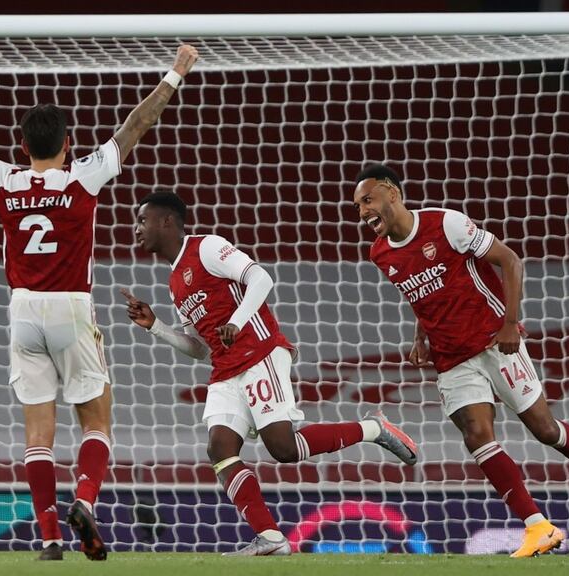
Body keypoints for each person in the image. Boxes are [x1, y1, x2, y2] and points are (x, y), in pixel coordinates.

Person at [0, 45, 200, 561]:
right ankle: (84, 500)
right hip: (71, 307)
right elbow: (135, 126)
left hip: (23, 311)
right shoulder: (82, 176)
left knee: (38, 433)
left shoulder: (3, 178)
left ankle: (48, 538)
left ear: (22, 146)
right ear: (69, 144)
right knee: (97, 421)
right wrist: (175, 73)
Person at [122, 190, 418, 556]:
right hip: (224, 370)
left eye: (142, 220)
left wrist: (237, 320)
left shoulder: (207, 248)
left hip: (259, 352)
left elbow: (261, 278)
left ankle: (373, 429)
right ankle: (271, 538)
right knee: (219, 448)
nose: (137, 229)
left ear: (166, 221)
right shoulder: (174, 283)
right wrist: (156, 326)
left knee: (283, 448)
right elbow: (199, 348)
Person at [351, 163, 569, 558]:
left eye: (368, 200)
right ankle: (538, 526)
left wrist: (510, 324)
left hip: (495, 340)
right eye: (358, 206)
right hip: (451, 357)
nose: (363, 211)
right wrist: (420, 336)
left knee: (544, 429)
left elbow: (510, 261)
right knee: (477, 434)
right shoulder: (379, 253)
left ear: (391, 193)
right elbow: (423, 294)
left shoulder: (447, 224)